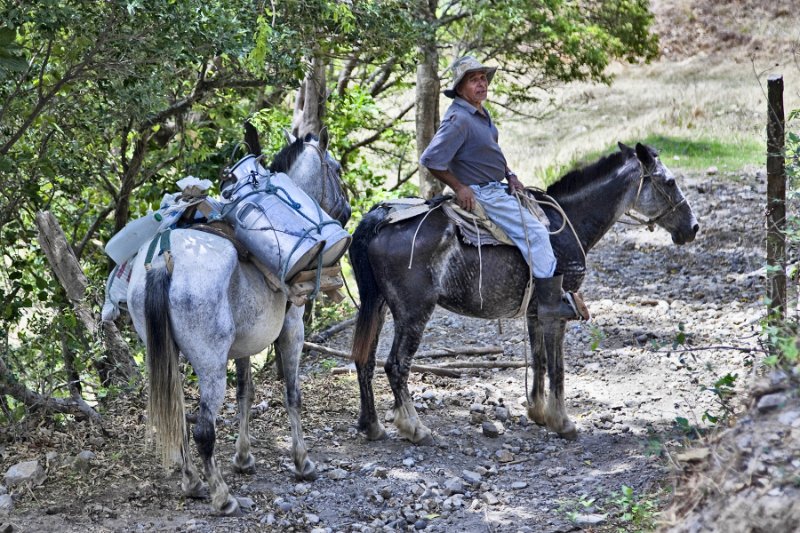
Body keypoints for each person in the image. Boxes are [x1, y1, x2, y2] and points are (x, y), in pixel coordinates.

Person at [419, 55, 588, 321]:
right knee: (537, 234)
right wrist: (460, 187)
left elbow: (488, 152)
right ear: (460, 87)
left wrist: (509, 174)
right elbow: (430, 159)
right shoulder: (458, 119)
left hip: (498, 186)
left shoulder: (479, 113)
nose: (481, 84)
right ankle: (550, 304)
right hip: (484, 193)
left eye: (483, 78)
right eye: (473, 79)